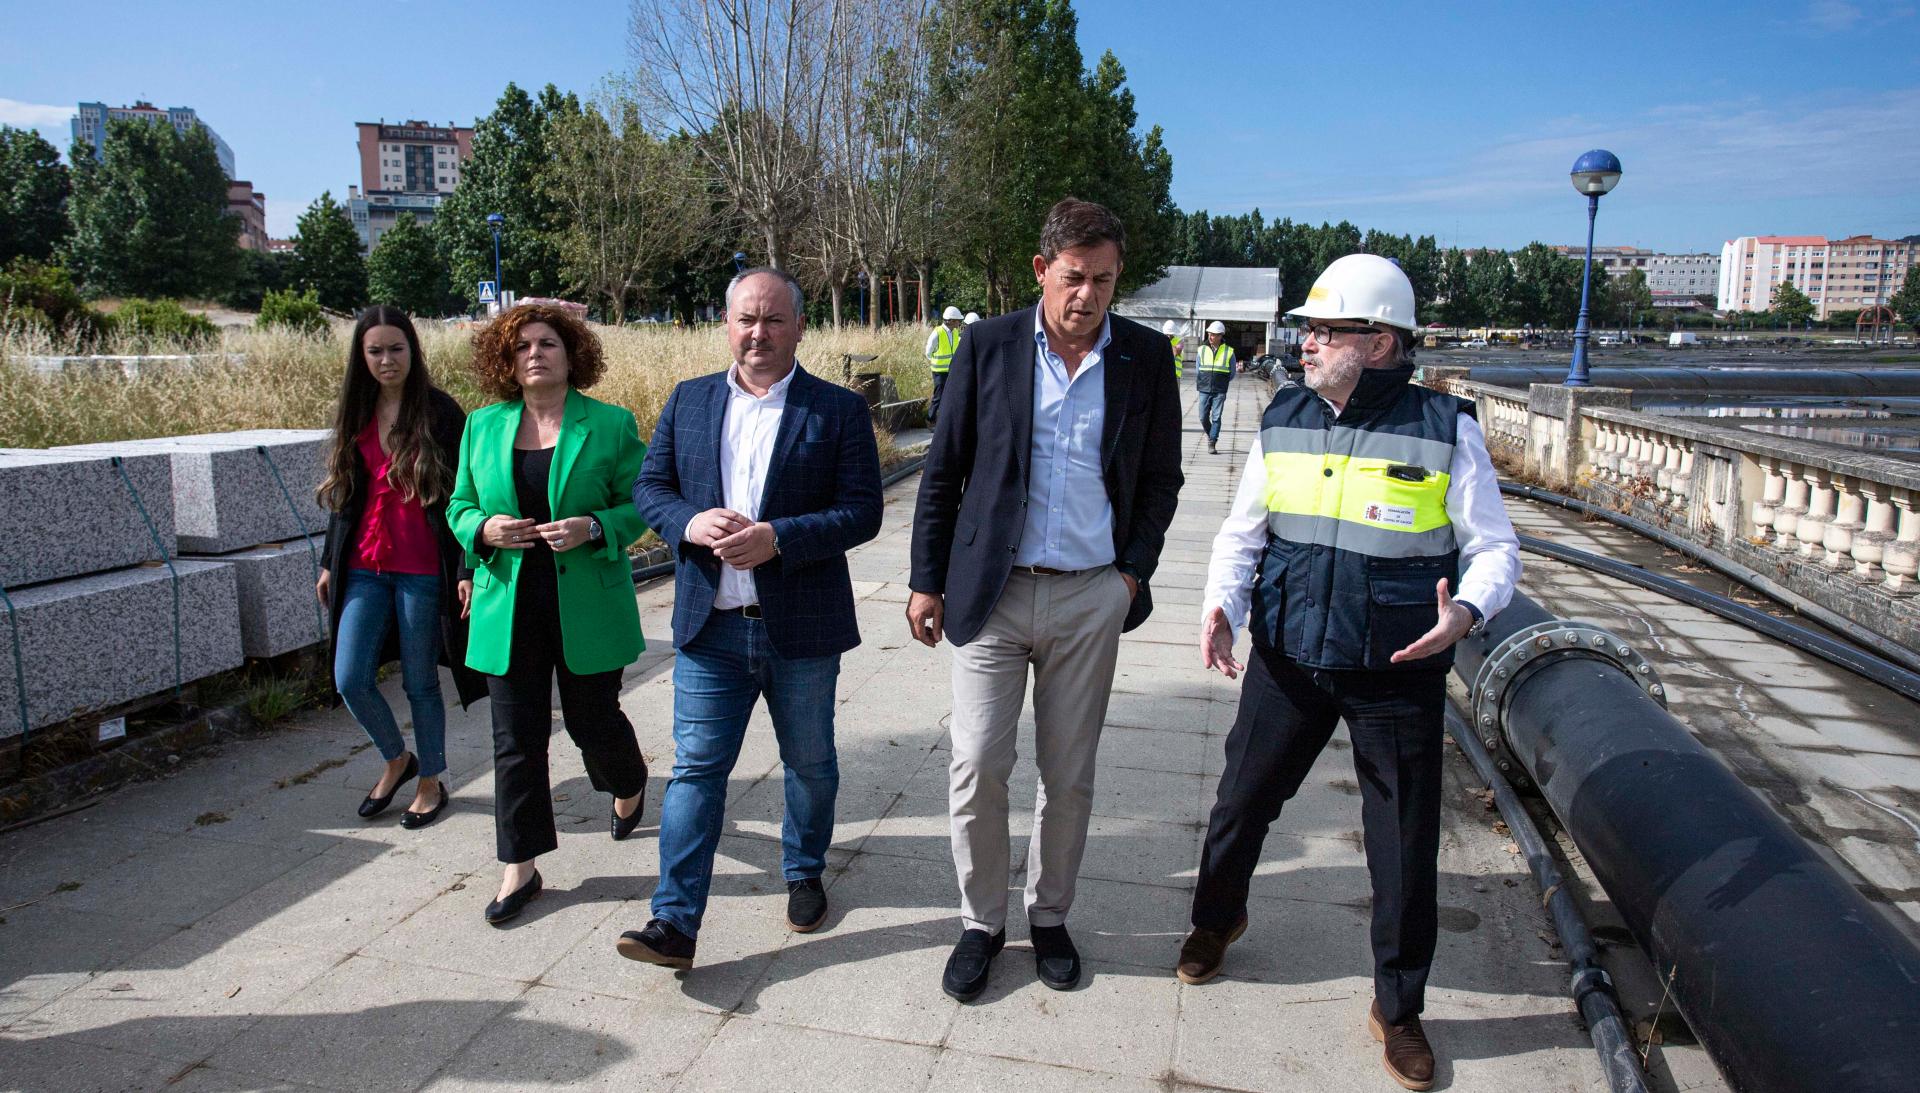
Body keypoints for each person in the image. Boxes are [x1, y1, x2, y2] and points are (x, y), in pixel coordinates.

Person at [1183, 254, 1520, 1091]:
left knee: (1402, 841)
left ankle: (1398, 1007)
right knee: (1240, 803)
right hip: (1290, 657)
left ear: (1377, 342)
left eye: (1325, 330)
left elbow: (1494, 547)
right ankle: (1216, 920)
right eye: (1306, 329)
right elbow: (1243, 532)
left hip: (1396, 668)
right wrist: (1221, 604)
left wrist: (1465, 612)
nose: (1305, 342)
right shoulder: (1286, 415)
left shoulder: (1445, 429)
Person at [907, 198, 1184, 1000]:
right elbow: (943, 471)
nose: (1087, 294)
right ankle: (981, 922)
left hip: (1090, 595)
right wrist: (926, 578)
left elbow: (1161, 479)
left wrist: (1129, 577)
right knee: (976, 764)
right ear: (1042, 270)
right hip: (991, 595)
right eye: (1073, 277)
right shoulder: (988, 346)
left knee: (1068, 775)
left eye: (1104, 280)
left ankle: (1051, 915)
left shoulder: (1144, 357)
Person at [621, 267, 883, 969]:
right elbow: (650, 486)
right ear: (726, 325)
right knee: (695, 771)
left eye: (772, 319)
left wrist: (780, 539)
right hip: (711, 627)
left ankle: (804, 869)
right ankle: (673, 921)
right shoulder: (690, 399)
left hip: (800, 628)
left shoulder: (836, 409)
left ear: (799, 327)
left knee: (810, 763)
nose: (758, 333)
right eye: (745, 318)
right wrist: (688, 521)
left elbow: (863, 510)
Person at [446, 302, 652, 926]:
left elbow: (642, 504)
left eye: (547, 343)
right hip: (508, 607)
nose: (534, 354)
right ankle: (521, 865)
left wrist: (595, 526)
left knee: (593, 722)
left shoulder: (610, 424)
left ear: (571, 354)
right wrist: (483, 529)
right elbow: (458, 505)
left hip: (586, 605)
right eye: (521, 347)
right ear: (506, 362)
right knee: (516, 740)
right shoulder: (482, 425)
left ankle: (628, 782)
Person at [318, 306, 486, 828]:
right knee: (350, 677)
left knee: (420, 682)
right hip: (364, 566)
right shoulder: (357, 410)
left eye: (396, 349)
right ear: (361, 356)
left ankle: (431, 779)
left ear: (412, 351)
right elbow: (346, 493)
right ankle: (397, 758)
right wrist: (328, 562)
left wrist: (466, 569)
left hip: (423, 569)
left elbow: (469, 493)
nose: (386, 360)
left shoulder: (441, 412)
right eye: (375, 351)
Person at [1195, 320, 1235, 454]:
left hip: (1220, 389)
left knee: (1216, 417)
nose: (1211, 337)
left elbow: (1232, 373)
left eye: (1214, 335)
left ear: (1220, 336)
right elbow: (1198, 369)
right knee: (1202, 417)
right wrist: (1204, 381)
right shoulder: (1201, 350)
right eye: (1210, 334)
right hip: (1204, 388)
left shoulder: (1229, 351)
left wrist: (1222, 382)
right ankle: (1211, 433)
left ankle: (1212, 441)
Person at [926, 306, 965, 427]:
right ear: (951, 320)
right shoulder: (937, 333)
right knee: (938, 396)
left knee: (949, 396)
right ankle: (930, 419)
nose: (959, 323)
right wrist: (935, 362)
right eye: (957, 320)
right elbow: (928, 352)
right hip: (939, 372)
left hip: (951, 370)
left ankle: (944, 421)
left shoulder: (955, 332)